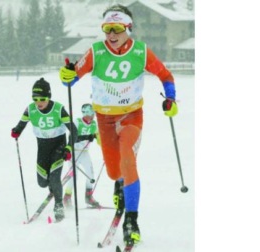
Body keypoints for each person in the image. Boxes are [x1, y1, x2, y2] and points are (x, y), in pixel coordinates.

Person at [59, 4, 178, 245]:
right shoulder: (96, 52)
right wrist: (67, 76)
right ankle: (120, 184)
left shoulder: (141, 52)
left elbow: (166, 76)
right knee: (114, 171)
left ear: (128, 28)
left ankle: (131, 221)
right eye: (107, 29)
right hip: (104, 119)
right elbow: (70, 80)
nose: (111, 35)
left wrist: (171, 99)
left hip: (130, 117)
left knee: (128, 158)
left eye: (117, 28)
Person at [11, 77, 77, 222]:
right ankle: (53, 187)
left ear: (48, 96)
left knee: (54, 177)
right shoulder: (31, 109)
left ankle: (58, 204)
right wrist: (16, 131)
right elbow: (21, 124)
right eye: (35, 98)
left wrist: (68, 147)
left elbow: (74, 129)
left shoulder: (58, 109)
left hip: (58, 146)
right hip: (42, 147)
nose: (39, 102)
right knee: (42, 182)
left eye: (42, 98)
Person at [63, 103, 101, 208]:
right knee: (73, 175)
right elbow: (73, 137)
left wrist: (106, 148)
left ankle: (88, 197)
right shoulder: (77, 122)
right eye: (88, 114)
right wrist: (87, 137)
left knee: (90, 174)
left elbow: (98, 139)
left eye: (92, 114)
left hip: (84, 152)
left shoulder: (93, 124)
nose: (90, 117)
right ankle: (67, 196)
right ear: (84, 114)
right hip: (74, 151)